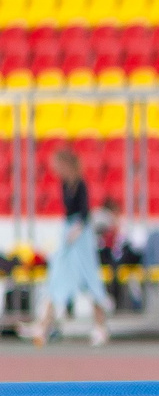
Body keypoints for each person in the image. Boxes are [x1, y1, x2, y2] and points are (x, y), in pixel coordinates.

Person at [28, 146, 111, 347]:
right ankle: (44, 325)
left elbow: (84, 212)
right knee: (56, 278)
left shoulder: (80, 184)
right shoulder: (65, 184)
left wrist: (77, 229)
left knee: (90, 279)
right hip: (69, 235)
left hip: (81, 237)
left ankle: (100, 327)